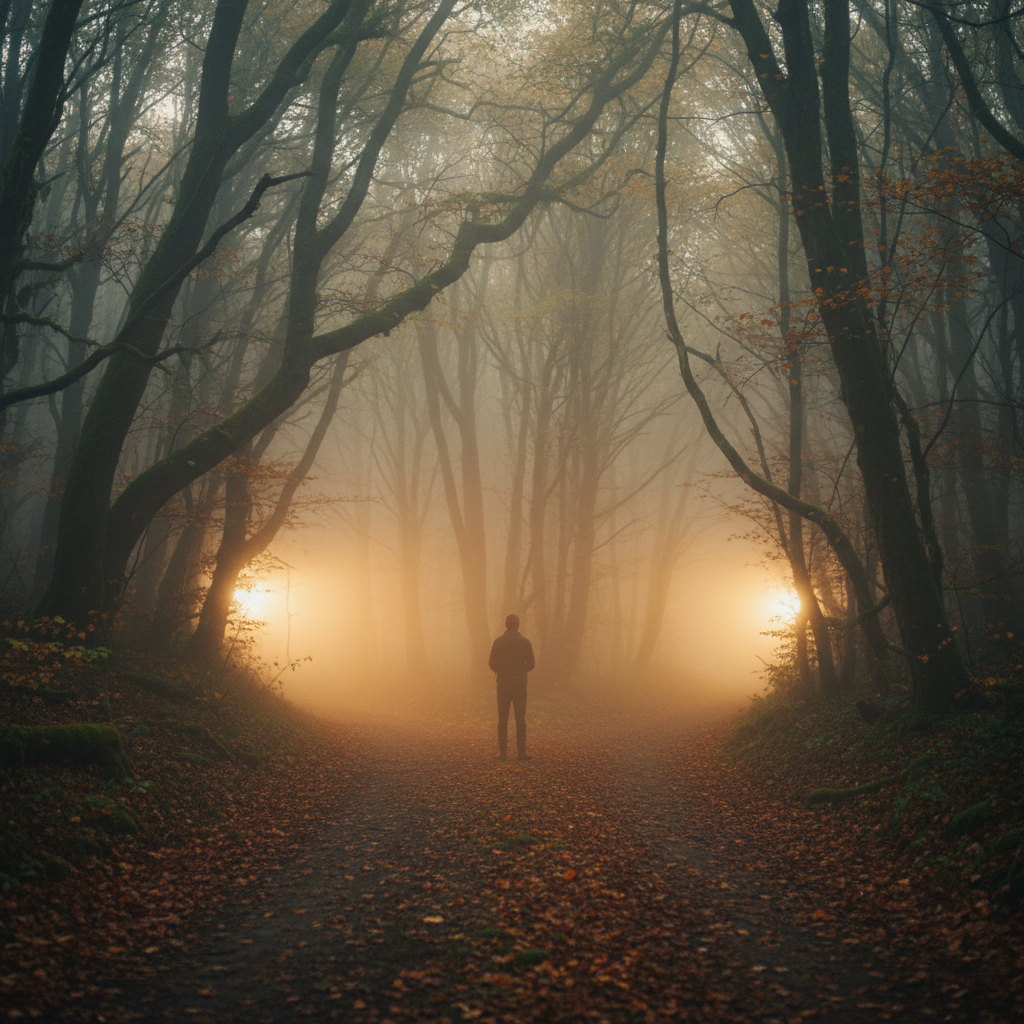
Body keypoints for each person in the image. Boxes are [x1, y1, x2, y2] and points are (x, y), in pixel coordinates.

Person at [488, 613, 535, 761]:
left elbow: (491, 663)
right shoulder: (525, 642)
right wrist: (521, 671)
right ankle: (521, 753)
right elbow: (532, 664)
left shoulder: (498, 642)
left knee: (502, 719)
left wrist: (500, 671)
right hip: (520, 684)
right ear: (518, 625)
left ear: (506, 625)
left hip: (503, 684)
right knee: (520, 719)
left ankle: (502, 753)